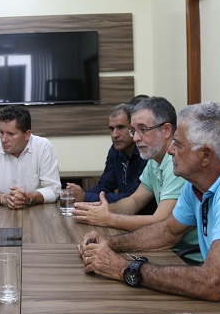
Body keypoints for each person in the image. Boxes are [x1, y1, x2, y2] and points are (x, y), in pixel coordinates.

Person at [78, 102, 220, 314]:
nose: (171, 150)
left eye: (178, 144)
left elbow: (212, 282)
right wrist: (109, 243)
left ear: (206, 155)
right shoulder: (198, 182)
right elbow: (167, 232)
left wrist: (125, 268)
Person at [72, 96, 200, 260]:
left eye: (143, 129)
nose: (136, 138)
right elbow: (134, 202)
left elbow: (161, 222)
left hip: (186, 256)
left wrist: (109, 219)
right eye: (134, 131)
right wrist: (101, 210)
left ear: (166, 130)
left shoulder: (177, 162)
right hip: (165, 247)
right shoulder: (154, 160)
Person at [67, 100, 155, 215]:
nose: (115, 134)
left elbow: (131, 197)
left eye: (120, 127)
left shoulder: (145, 153)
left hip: (143, 217)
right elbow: (105, 185)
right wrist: (81, 195)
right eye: (111, 129)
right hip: (121, 214)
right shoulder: (115, 150)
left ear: (133, 128)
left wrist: (86, 196)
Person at [0, 105, 61, 209]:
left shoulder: (43, 147)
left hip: (36, 211)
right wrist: (5, 199)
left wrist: (29, 198)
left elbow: (53, 189)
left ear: (27, 134)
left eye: (11, 134)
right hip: (1, 211)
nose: (3, 139)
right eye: (1, 132)